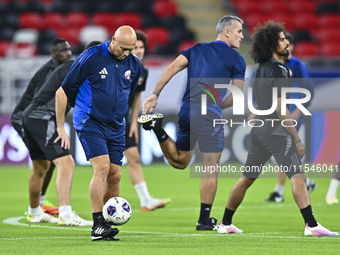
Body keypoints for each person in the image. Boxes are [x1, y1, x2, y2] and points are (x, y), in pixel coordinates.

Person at [217, 21, 338, 236]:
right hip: (275, 131)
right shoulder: (280, 70)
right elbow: (281, 107)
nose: (286, 42)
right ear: (273, 44)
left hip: (260, 131)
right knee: (298, 176)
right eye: (282, 39)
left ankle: (225, 223)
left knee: (246, 178)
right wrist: (297, 139)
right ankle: (311, 225)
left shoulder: (261, 69)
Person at [138, 15, 245, 230]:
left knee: (180, 161)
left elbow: (171, 68)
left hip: (186, 110)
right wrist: (214, 106)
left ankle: (158, 129)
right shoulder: (236, 59)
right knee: (210, 169)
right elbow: (236, 96)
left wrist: (154, 94)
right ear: (227, 32)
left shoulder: (195, 49)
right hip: (208, 114)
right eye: (239, 31)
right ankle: (204, 221)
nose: (242, 36)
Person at [55, 26, 141, 241]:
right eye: (123, 48)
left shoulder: (134, 64)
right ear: (112, 40)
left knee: (115, 174)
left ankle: (109, 223)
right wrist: (59, 126)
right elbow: (63, 91)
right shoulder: (91, 57)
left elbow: (126, 93)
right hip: (90, 121)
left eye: (131, 49)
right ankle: (97, 225)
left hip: (116, 125)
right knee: (102, 167)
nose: (127, 53)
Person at [22, 39, 93, 226]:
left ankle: (34, 212)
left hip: (31, 116)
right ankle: (66, 215)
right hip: (42, 117)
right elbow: (60, 95)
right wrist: (60, 127)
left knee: (40, 167)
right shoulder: (78, 68)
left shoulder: (75, 67)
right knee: (67, 163)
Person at [251, 33, 316, 203]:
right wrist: (257, 110)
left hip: (291, 114)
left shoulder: (298, 66)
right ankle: (305, 182)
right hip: (275, 114)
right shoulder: (272, 66)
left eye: (287, 43)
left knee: (283, 149)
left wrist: (298, 111)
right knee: (283, 151)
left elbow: (308, 92)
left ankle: (279, 192)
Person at [11, 38, 71, 215]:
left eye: (68, 49)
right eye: (62, 51)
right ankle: (38, 206)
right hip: (24, 118)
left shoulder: (63, 70)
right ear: (53, 54)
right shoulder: (47, 73)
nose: (68, 53)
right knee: (45, 162)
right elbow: (38, 103)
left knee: (47, 161)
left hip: (38, 117)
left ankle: (38, 206)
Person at [125, 30, 171, 211]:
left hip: (124, 120)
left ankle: (145, 200)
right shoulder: (120, 65)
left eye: (141, 47)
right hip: (106, 119)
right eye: (135, 47)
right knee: (107, 166)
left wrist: (134, 121)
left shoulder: (142, 70)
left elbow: (137, 96)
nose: (138, 50)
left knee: (134, 157)